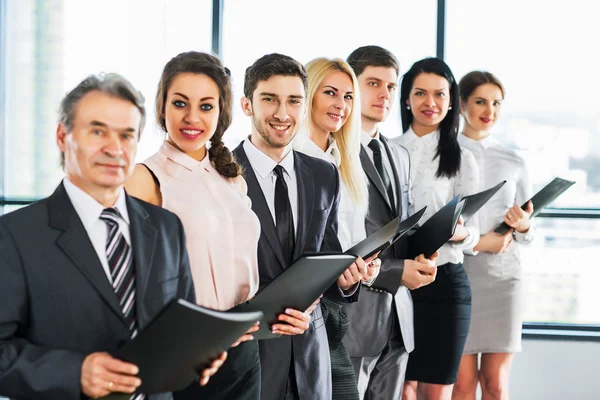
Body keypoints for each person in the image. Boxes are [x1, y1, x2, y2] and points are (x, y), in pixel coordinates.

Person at [0, 73, 224, 400]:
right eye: (97, 131)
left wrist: (197, 353)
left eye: (126, 135)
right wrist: (74, 372)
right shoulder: (14, 237)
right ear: (63, 136)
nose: (114, 148)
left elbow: (182, 325)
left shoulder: (166, 227)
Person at [232, 53, 370, 400]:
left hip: (310, 355)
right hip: (249, 357)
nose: (282, 113)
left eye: (293, 101)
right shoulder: (222, 175)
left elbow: (326, 254)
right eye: (270, 99)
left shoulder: (324, 175)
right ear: (247, 105)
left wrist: (347, 279)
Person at [125, 52, 261, 400]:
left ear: (221, 112)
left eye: (205, 106)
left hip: (244, 350)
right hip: (185, 352)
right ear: (162, 108)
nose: (191, 117)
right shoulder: (144, 178)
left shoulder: (233, 178)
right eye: (180, 103)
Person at [343, 45, 438, 400]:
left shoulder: (399, 153)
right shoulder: (332, 153)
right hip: (355, 316)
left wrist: (425, 254)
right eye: (373, 83)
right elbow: (338, 242)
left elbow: (399, 228)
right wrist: (397, 271)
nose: (384, 94)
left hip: (400, 316)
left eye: (391, 86)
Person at [292, 56, 381, 400]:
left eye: (347, 97)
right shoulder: (290, 158)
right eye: (330, 93)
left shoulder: (345, 161)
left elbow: (349, 239)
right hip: (303, 311)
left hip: (335, 310)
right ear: (309, 95)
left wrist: (365, 267)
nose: (340, 105)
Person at [394, 57, 480, 400]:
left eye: (440, 94)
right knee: (401, 387)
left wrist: (460, 233)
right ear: (406, 99)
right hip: (398, 282)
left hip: (446, 284)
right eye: (421, 93)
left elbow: (472, 232)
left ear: (451, 101)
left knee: (437, 392)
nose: (431, 103)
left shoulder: (462, 157)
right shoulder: (387, 151)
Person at [452, 71, 534, 400]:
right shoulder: (445, 154)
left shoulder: (514, 160)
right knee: (461, 385)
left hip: (504, 277)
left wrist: (525, 225)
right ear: (462, 105)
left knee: (496, 385)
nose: (490, 110)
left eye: (497, 103)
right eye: (481, 101)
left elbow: (528, 229)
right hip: (460, 273)